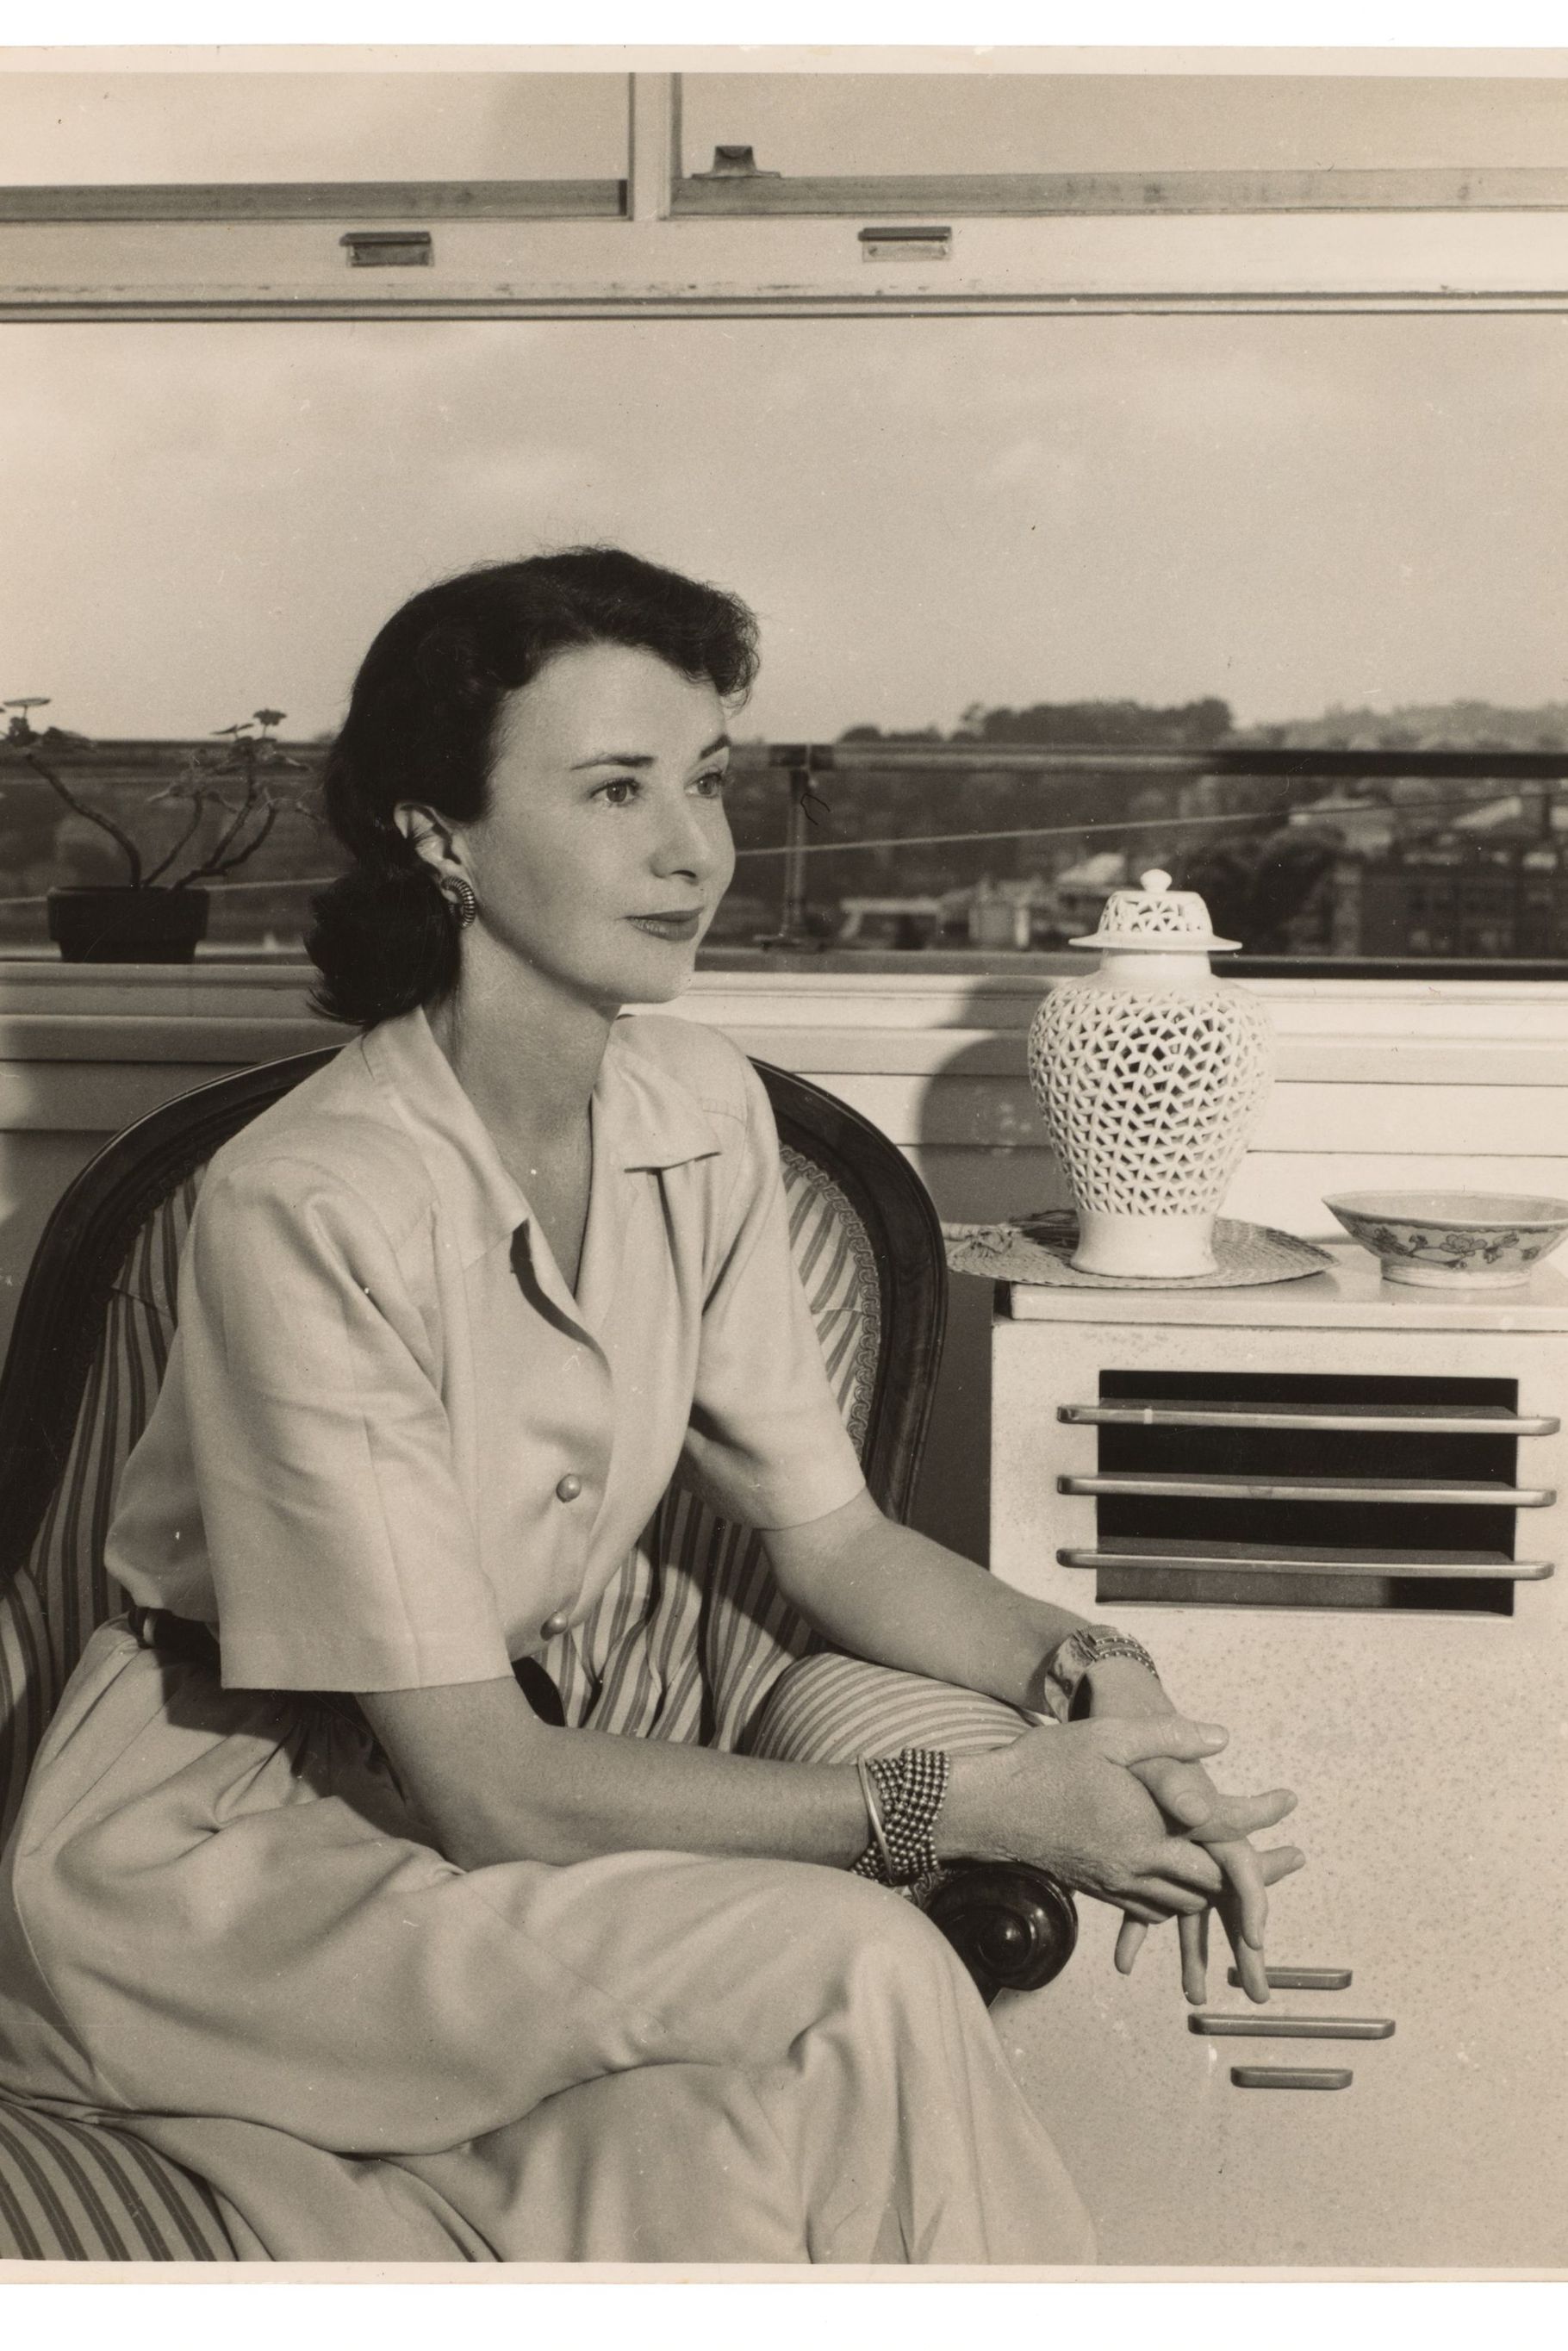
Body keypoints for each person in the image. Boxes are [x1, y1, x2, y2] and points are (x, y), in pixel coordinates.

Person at [0, 550, 1303, 2265]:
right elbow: (488, 1788)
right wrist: (967, 1807)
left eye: (705, 781)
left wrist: (1083, 1676)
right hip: (218, 1875)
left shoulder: (700, 1107)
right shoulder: (305, 1205)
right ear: (439, 836)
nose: (693, 848)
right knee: (857, 1967)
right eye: (614, 789)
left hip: (458, 1830)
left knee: (759, 2124)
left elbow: (832, 1541)